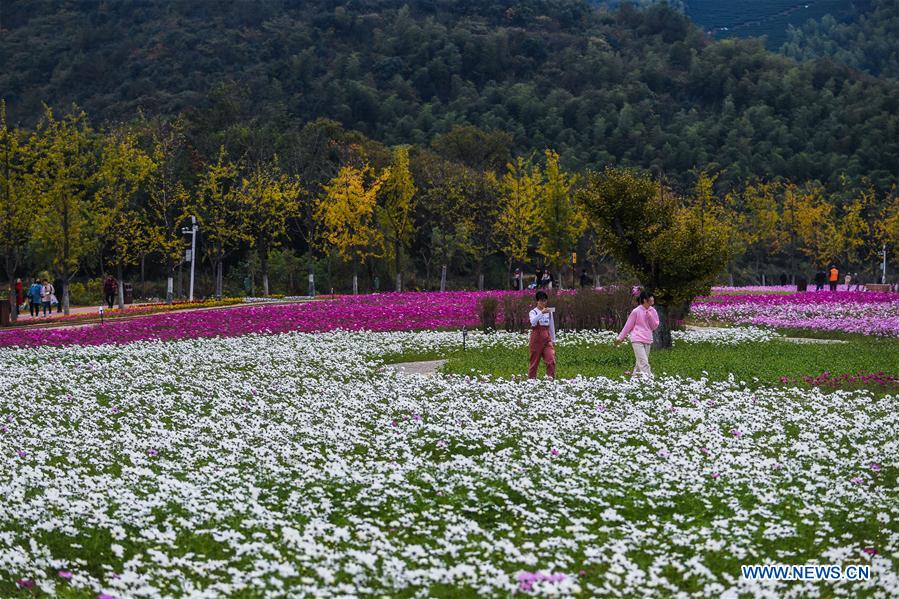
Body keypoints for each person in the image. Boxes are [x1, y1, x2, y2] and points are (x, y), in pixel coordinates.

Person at [615, 290, 660, 379]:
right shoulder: (636, 311)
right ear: (644, 300)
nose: (652, 298)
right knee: (644, 362)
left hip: (647, 339)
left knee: (640, 363)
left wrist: (649, 315)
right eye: (650, 297)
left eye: (652, 296)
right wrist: (620, 337)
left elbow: (654, 326)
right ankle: (649, 381)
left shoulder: (653, 311)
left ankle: (635, 381)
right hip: (637, 339)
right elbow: (628, 325)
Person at [528, 291, 556, 380]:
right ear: (537, 301)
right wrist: (541, 313)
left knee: (551, 359)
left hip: (547, 338)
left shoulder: (549, 312)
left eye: (545, 301)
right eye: (541, 301)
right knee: (534, 361)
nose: (543, 303)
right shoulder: (533, 312)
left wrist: (553, 339)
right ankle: (531, 380)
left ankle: (550, 379)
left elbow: (551, 325)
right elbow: (533, 322)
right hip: (536, 338)